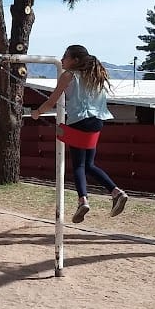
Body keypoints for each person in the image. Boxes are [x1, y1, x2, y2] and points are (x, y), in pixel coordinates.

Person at [31, 44, 128, 223]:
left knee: (79, 165)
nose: (61, 60)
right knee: (89, 164)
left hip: (79, 121)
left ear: (75, 60)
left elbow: (52, 101)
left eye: (65, 56)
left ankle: (83, 200)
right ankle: (116, 192)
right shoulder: (95, 75)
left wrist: (37, 113)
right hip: (97, 122)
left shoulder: (68, 75)